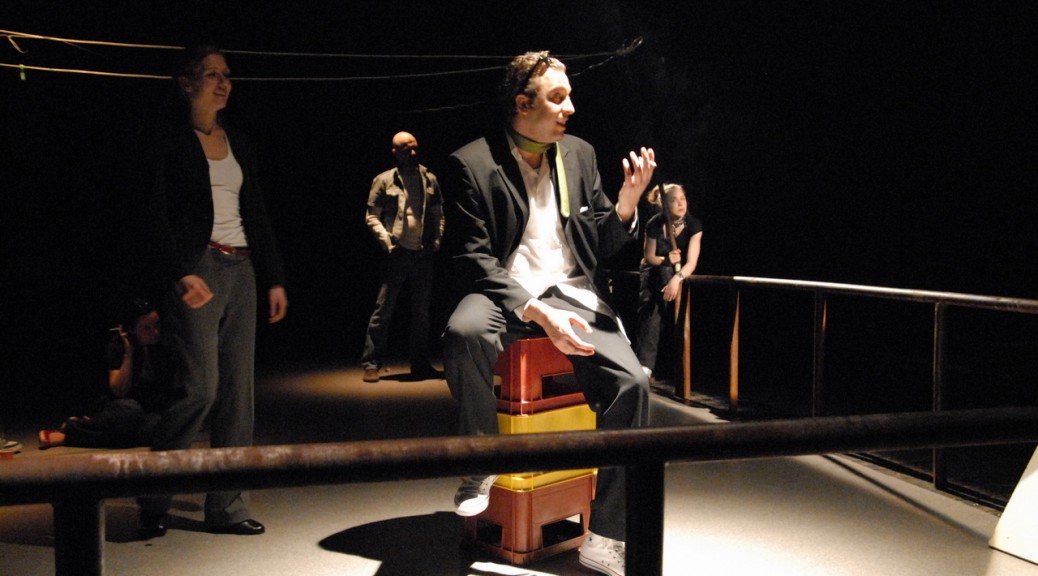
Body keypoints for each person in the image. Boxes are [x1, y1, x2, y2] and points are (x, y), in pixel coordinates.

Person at [441, 51, 655, 576]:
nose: (570, 108)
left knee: (634, 386)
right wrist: (536, 312)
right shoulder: (471, 162)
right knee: (463, 331)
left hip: (571, 292)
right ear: (523, 103)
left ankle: (606, 535)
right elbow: (474, 258)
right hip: (506, 291)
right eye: (558, 98)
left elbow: (599, 243)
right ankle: (481, 460)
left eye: (569, 97)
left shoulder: (579, 154)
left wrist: (626, 205)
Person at [136, 44, 288, 539]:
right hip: (197, 267)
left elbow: (257, 211)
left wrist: (274, 276)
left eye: (227, 75)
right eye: (211, 75)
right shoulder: (165, 139)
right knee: (200, 389)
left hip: (241, 269)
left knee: (239, 395)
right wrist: (178, 272)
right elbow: (152, 214)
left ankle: (228, 507)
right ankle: (153, 493)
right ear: (186, 84)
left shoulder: (238, 140)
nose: (223, 83)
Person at [361, 131, 445, 382]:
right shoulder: (384, 180)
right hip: (397, 252)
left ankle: (420, 364)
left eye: (415, 147)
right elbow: (371, 215)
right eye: (407, 149)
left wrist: (437, 239)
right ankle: (371, 363)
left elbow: (438, 212)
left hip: (423, 252)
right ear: (395, 152)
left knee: (421, 312)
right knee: (384, 309)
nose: (413, 152)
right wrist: (387, 242)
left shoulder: (429, 178)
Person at [38, 299, 175, 449]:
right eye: (146, 328)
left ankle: (83, 430)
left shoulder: (161, 347)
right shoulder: (118, 345)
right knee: (130, 411)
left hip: (141, 414)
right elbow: (119, 391)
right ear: (132, 329)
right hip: (115, 408)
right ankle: (73, 431)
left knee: (158, 424)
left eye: (157, 325)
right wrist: (128, 354)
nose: (155, 332)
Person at [635, 183, 703, 383]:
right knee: (652, 311)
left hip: (677, 275)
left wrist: (677, 278)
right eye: (673, 200)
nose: (680, 203)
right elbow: (649, 257)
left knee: (673, 318)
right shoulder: (655, 224)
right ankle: (645, 366)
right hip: (654, 271)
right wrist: (666, 259)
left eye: (682, 198)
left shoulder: (693, 225)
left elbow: (691, 263)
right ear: (663, 204)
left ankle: (672, 369)